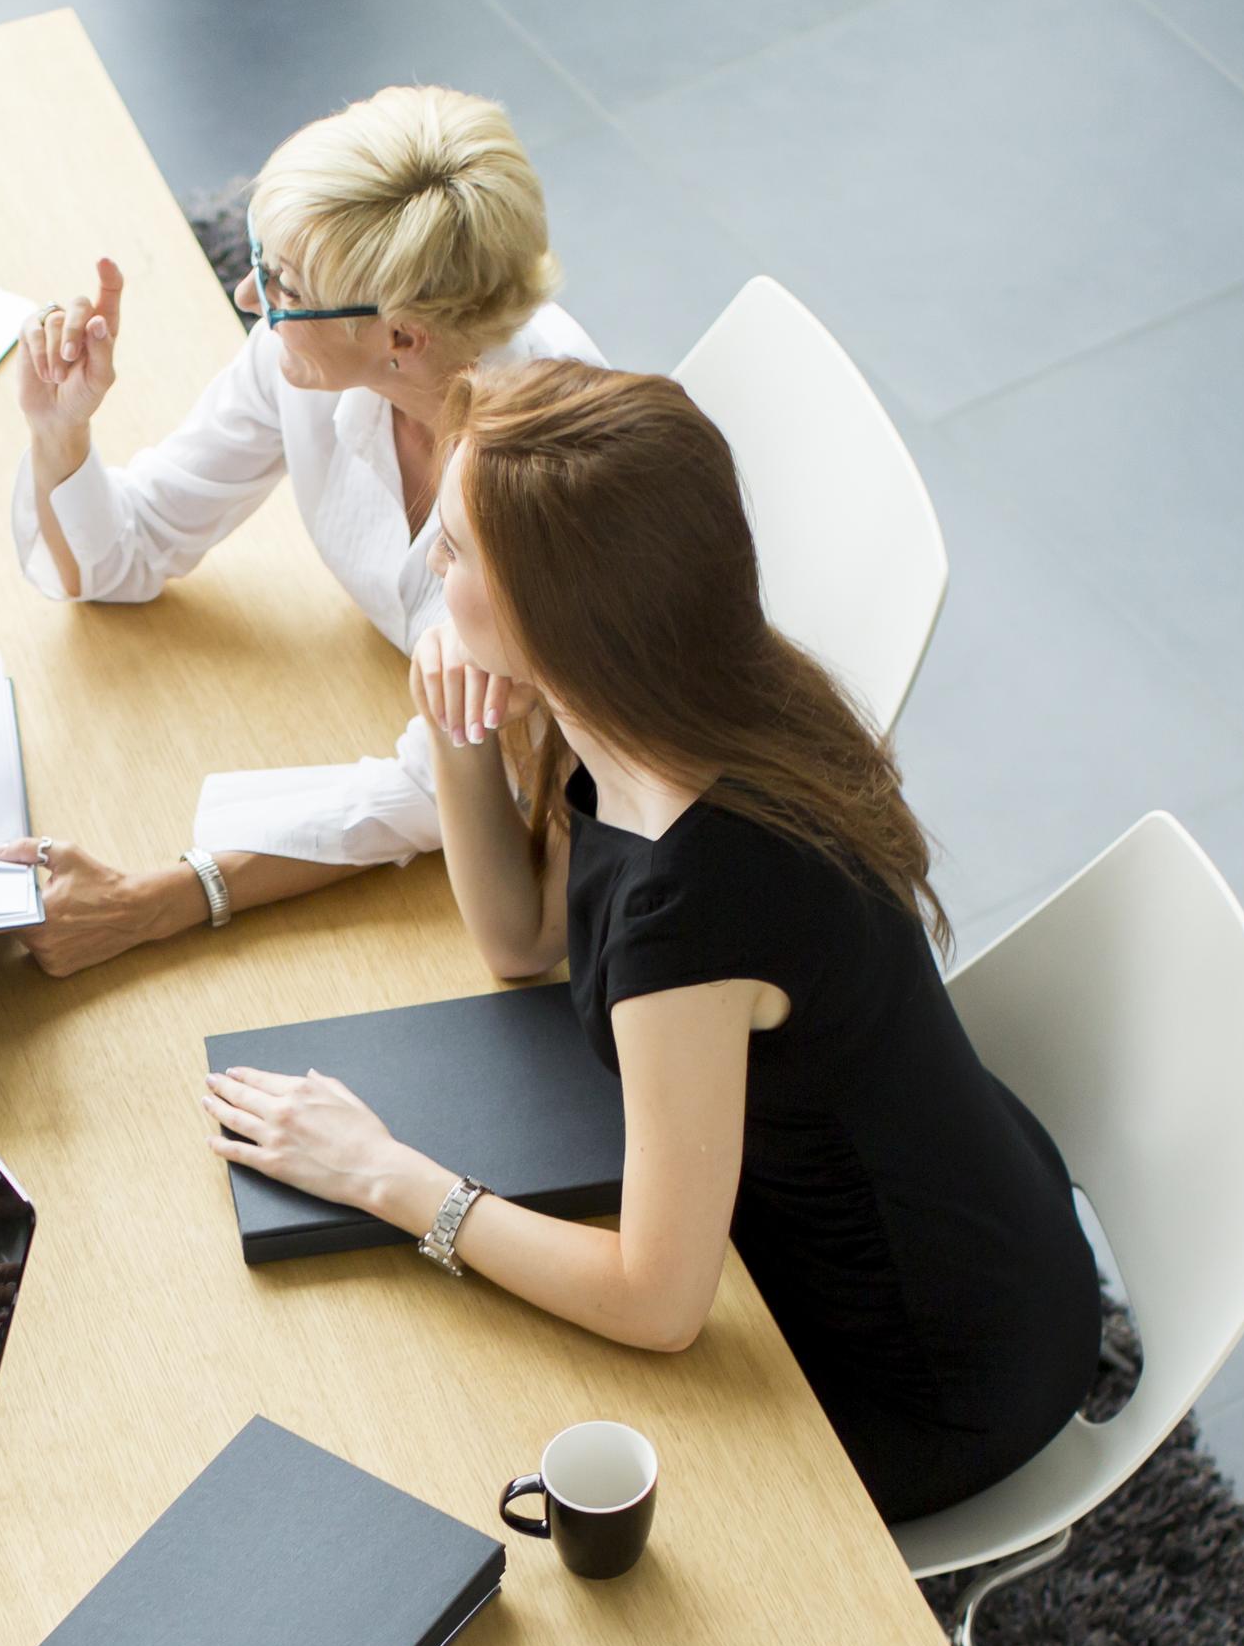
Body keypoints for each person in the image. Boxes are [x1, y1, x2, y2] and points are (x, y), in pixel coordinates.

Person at [198, 366, 1099, 1524]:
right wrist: (460, 733)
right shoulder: (690, 698)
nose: (428, 564)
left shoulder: (694, 899)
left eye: (457, 551)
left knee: (445, 1421)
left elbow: (661, 1303)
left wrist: (386, 1177)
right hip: (962, 1206)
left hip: (919, 1370)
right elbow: (522, 939)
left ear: (558, 610)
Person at [0, 86, 598, 975]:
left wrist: (167, 897)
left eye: (283, 287)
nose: (249, 297)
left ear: (402, 337)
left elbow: (457, 790)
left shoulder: (550, 495)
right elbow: (128, 550)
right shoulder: (308, 362)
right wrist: (60, 432)